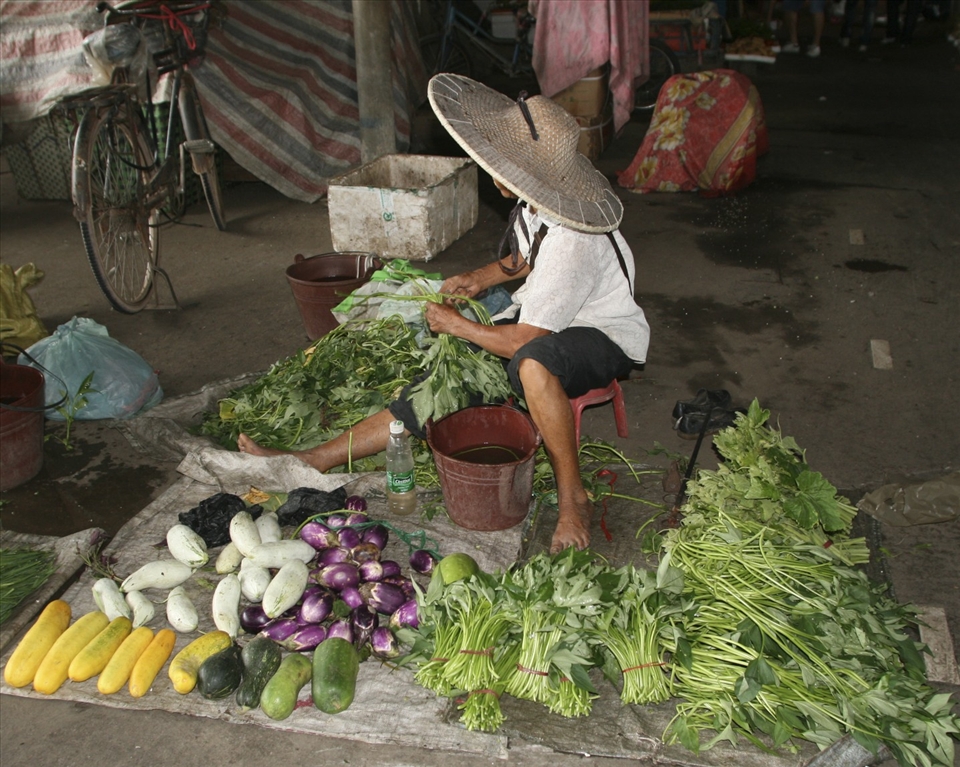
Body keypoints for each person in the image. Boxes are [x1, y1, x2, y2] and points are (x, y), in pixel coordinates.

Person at [238, 73, 650, 555]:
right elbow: (523, 257)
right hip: (549, 320)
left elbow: (526, 339)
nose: (487, 169)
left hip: (603, 336)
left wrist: (458, 324)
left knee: (532, 365)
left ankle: (571, 496)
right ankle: (318, 458)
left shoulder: (574, 242)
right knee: (445, 380)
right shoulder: (538, 204)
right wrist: (479, 279)